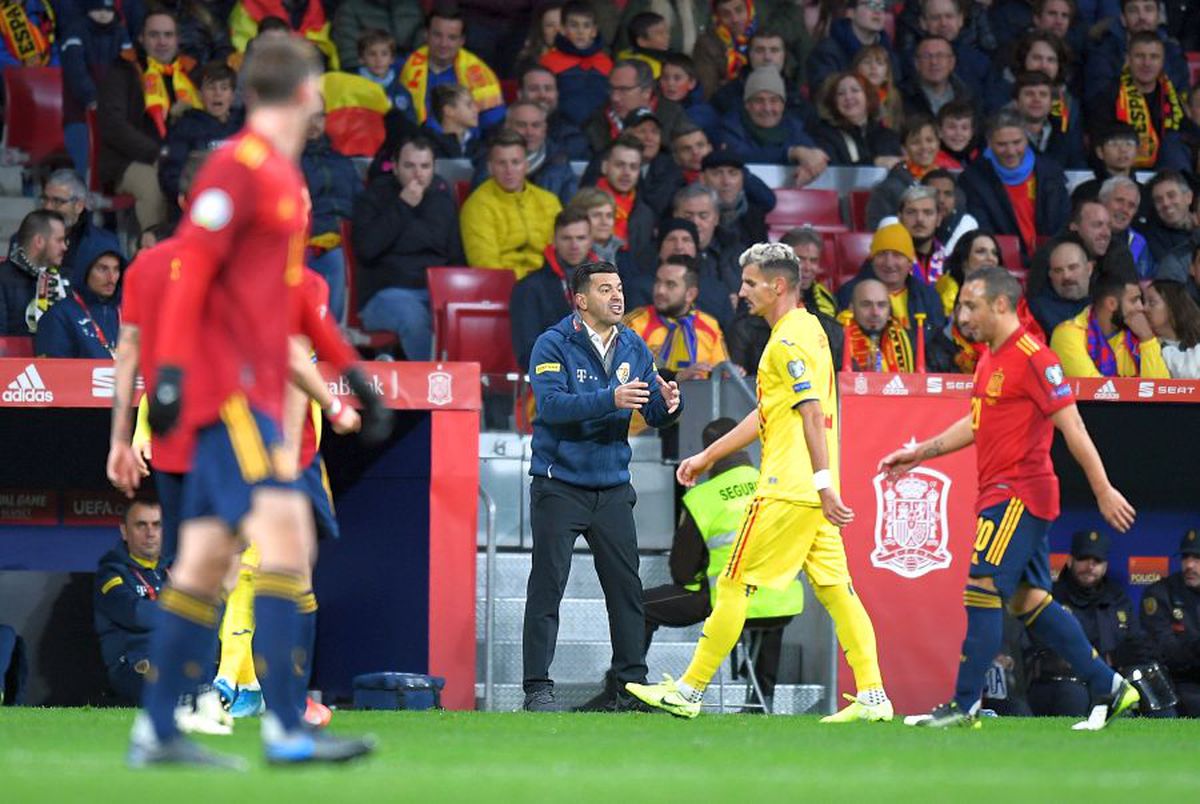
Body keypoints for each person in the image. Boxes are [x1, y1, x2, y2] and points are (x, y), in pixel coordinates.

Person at [115, 36, 386, 768]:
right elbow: (192, 264)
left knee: (204, 561)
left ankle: (159, 732)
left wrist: (347, 367)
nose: (324, 106)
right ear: (304, 95)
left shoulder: (286, 180)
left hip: (259, 391)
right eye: (321, 93)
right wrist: (168, 375)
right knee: (288, 541)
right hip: (229, 393)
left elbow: (292, 297)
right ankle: (285, 728)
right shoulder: (239, 168)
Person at [627, 242, 891, 722]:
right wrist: (709, 454)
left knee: (730, 584)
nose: (741, 291)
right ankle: (873, 693)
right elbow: (770, 412)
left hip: (787, 488)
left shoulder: (786, 342)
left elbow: (811, 414)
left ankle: (689, 691)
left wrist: (824, 483)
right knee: (836, 588)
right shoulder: (808, 328)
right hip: (809, 490)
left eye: (750, 283)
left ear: (779, 285)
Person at [879, 266, 1141, 729]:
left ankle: (964, 706)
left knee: (981, 589)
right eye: (961, 305)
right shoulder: (988, 358)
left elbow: (1073, 426)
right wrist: (919, 453)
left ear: (1002, 305)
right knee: (1027, 601)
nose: (963, 315)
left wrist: (1103, 489)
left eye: (972, 305)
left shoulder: (1035, 358)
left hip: (1018, 493)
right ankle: (1109, 686)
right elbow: (977, 423)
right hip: (1003, 492)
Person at [522, 261, 682, 712]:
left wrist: (670, 403)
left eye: (620, 287)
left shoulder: (633, 344)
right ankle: (537, 688)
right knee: (547, 586)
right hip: (560, 485)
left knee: (625, 589)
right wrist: (609, 399)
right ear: (581, 299)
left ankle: (630, 688)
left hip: (612, 487)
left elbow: (651, 410)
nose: (617, 297)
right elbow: (551, 406)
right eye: (606, 289)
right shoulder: (553, 343)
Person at [587, 415, 805, 711]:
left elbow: (682, 570)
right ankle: (761, 697)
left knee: (638, 605)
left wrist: (699, 581)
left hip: (725, 601)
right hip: (783, 602)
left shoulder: (704, 497)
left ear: (710, 452)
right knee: (764, 601)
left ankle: (623, 690)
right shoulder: (777, 486)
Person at [1026, 529, 1162, 717]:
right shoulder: (1050, 597)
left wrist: (1118, 659)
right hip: (1060, 680)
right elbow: (1041, 645)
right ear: (1070, 560)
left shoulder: (1117, 598)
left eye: (1097, 561)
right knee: (1075, 694)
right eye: (1084, 559)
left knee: (1154, 693)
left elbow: (1137, 644)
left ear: (1105, 566)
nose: (1090, 566)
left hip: (1114, 675)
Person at [353, 135, 464, 361]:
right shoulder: (375, 195)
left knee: (465, 317)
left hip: (435, 291)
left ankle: (477, 387)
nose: (418, 174)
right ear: (394, 167)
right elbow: (366, 248)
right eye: (409, 166)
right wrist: (402, 206)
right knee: (413, 317)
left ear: (434, 168)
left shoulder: (442, 197)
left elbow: (455, 254)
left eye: (425, 166)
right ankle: (434, 386)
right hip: (386, 294)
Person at [97, 9, 198, 231]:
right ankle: (154, 256)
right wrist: (157, 153)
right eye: (154, 35)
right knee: (155, 187)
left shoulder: (189, 72)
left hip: (183, 157)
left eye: (168, 35)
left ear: (177, 39)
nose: (162, 41)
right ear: (142, 38)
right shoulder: (123, 70)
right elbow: (113, 126)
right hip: (131, 161)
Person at [959, 109, 1070, 264]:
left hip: (1051, 261)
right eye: (1002, 144)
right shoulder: (973, 179)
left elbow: (1063, 222)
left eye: (1017, 142)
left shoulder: (1050, 172)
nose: (1011, 151)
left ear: (1026, 138)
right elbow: (982, 230)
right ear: (989, 143)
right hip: (1001, 265)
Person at [460, 131, 562, 281]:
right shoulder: (478, 206)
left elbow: (563, 251)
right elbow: (485, 264)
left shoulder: (549, 201)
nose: (509, 170)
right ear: (490, 167)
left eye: (515, 162)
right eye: (501, 163)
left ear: (526, 165)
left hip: (549, 283)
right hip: (503, 286)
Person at [1084, 32, 1190, 172]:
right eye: (1139, 56)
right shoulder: (1108, 96)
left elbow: (1188, 134)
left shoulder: (1171, 97)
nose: (1147, 63)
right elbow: (1098, 146)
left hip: (1165, 175)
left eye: (1154, 57)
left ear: (1162, 62)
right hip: (1120, 174)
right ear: (1128, 59)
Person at [510, 207, 596, 372]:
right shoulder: (528, 288)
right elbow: (527, 354)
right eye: (566, 238)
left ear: (591, 241)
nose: (574, 245)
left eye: (581, 238)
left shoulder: (609, 283)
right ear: (554, 240)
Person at [302, 101, 362, 323]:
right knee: (336, 259)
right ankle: (328, 336)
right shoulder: (287, 160)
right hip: (310, 241)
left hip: (348, 238)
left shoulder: (341, 161)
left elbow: (360, 201)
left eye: (318, 117)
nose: (313, 124)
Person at [623, 256, 729, 381]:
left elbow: (721, 371)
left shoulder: (710, 325)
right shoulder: (633, 323)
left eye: (670, 285)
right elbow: (625, 373)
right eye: (658, 282)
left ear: (690, 294)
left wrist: (727, 374)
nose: (660, 290)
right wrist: (676, 377)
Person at [397, 7, 504, 129]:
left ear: (462, 41)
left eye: (452, 38)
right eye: (437, 35)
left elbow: (493, 125)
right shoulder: (403, 67)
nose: (443, 44)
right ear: (426, 35)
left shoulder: (480, 74)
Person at [836, 222, 947, 338]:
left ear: (910, 262)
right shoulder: (849, 293)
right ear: (872, 260)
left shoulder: (928, 296)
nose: (889, 263)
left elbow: (938, 343)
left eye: (897, 255)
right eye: (882, 254)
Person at [59, 0, 133, 175]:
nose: (102, 13)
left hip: (114, 112)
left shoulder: (121, 34)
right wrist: (91, 98)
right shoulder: (74, 32)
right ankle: (79, 191)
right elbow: (75, 71)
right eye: (97, 8)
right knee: (81, 158)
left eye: (107, 9)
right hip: (79, 112)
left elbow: (130, 71)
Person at [1050, 270, 1170, 378]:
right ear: (1111, 304)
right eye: (1134, 300)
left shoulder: (1138, 335)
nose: (1141, 307)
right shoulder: (1067, 335)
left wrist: (1147, 339)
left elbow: (1160, 393)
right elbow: (1094, 391)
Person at [716, 67, 827, 178]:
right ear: (747, 105)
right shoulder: (731, 128)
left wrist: (810, 165)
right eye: (759, 101)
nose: (767, 108)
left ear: (783, 105)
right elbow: (741, 157)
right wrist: (791, 153)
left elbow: (811, 154)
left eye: (774, 101)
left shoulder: (793, 127)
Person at [159, 62, 243, 208]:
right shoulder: (185, 126)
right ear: (199, 95)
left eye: (224, 88)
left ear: (232, 95)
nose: (217, 93)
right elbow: (171, 175)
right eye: (211, 88)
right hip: (201, 207)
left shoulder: (243, 125)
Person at [1140, 529, 1200, 716]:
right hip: (1178, 681)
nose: (1189, 565)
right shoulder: (1160, 594)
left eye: (1197, 558)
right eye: (1185, 557)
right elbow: (1166, 651)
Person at [475, 100, 578, 205]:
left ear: (544, 129)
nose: (529, 132)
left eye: (536, 125)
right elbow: (481, 204)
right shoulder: (490, 159)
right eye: (521, 125)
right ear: (507, 127)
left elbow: (571, 212)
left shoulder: (560, 162)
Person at [31, 169, 122, 287]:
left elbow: (109, 298)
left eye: (57, 201)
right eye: (45, 199)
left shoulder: (103, 246)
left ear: (79, 206)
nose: (47, 207)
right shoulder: (25, 239)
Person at [866, 114, 958, 229]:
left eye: (930, 140)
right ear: (904, 148)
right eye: (916, 142)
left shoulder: (949, 183)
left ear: (938, 144)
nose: (924, 147)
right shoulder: (887, 189)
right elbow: (876, 229)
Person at [671, 183, 742, 329]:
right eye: (688, 216)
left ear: (716, 218)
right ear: (675, 216)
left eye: (703, 216)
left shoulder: (738, 253)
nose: (695, 222)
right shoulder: (666, 254)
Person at [583, 58, 685, 156]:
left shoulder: (673, 118)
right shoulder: (594, 122)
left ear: (646, 92)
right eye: (612, 89)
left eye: (624, 90)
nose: (615, 98)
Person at [34, 251, 123, 359]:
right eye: (102, 269)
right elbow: (53, 372)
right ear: (86, 270)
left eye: (116, 269)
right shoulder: (59, 316)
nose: (111, 278)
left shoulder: (126, 311)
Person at [539, 0, 613, 127]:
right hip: (561, 129)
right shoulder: (548, 61)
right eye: (574, 25)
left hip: (600, 130)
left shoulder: (606, 62)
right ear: (562, 29)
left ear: (594, 31)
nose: (580, 31)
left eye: (586, 26)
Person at [586, 134, 656, 266]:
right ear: (605, 167)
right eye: (620, 165)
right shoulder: (583, 206)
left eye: (633, 167)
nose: (626, 173)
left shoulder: (645, 214)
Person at [811, 71, 903, 168]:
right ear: (834, 102)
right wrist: (874, 163)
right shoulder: (824, 134)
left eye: (855, 90)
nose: (848, 97)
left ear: (868, 97)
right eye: (841, 93)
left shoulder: (887, 136)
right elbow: (834, 172)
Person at [808, 0, 898, 97]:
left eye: (882, 7)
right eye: (870, 5)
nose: (878, 12)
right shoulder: (827, 52)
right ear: (851, 12)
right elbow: (824, 93)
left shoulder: (888, 53)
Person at [0, 210, 69, 335]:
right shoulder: (3, 279)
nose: (64, 247)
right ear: (39, 241)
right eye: (59, 240)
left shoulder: (65, 279)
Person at [229, 0, 339, 68]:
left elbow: (324, 49)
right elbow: (242, 51)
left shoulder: (318, 6)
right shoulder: (248, 6)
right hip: (261, 74)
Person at [840, 278, 918, 372]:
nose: (875, 312)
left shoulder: (907, 338)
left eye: (881, 305)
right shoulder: (838, 340)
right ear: (852, 308)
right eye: (866, 305)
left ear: (889, 309)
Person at [1012, 70, 1084, 169]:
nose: (1036, 99)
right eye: (1029, 94)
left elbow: (1077, 171)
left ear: (1051, 103)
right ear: (1016, 103)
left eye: (1043, 94)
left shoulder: (1064, 132)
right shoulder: (1002, 134)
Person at [518, 64, 590, 160]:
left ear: (557, 94)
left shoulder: (572, 136)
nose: (542, 95)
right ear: (520, 94)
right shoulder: (500, 131)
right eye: (534, 89)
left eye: (548, 89)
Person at [701, 150, 769, 248]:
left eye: (733, 173)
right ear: (702, 178)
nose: (726, 182)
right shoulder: (692, 212)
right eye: (716, 174)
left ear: (742, 178)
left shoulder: (755, 215)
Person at [332, 0, 424, 72]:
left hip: (412, 73)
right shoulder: (350, 8)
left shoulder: (412, 5)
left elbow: (422, 47)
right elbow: (350, 60)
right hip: (367, 78)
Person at [692, 0, 758, 99]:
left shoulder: (764, 36)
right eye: (726, 14)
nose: (735, 19)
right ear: (718, 17)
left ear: (749, 9)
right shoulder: (706, 44)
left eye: (739, 10)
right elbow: (708, 91)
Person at [1029, 238, 1094, 337]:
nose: (1066, 276)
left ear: (1089, 269)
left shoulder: (1103, 302)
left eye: (1072, 268)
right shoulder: (1039, 310)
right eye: (1058, 270)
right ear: (1050, 275)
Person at [900, 35, 975, 119]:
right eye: (926, 56)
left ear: (952, 62)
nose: (934, 62)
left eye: (940, 56)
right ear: (916, 63)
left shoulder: (967, 96)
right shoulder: (902, 96)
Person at [354, 28, 417, 118]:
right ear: (361, 58)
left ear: (392, 59)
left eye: (384, 54)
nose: (378, 60)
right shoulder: (354, 87)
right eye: (372, 54)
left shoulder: (401, 91)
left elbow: (411, 125)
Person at [1098, 176, 1154, 279]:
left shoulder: (1138, 243)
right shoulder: (1085, 234)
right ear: (1102, 201)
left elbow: (1143, 282)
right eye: (1119, 201)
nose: (1124, 209)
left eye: (1131, 205)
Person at [1144, 279, 1200, 378]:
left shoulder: (1196, 340)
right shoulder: (1140, 345)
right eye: (1144, 302)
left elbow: (1189, 372)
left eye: (1152, 302)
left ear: (1172, 306)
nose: (1144, 308)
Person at [1144, 170, 1198, 261]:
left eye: (1171, 196)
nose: (1165, 203)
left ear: (1188, 197)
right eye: (1158, 200)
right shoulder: (1153, 239)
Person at [852, 43, 905, 132]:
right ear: (857, 69)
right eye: (867, 62)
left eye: (879, 63)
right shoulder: (851, 95)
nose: (873, 67)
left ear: (886, 75)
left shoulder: (893, 97)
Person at [923, 168, 978, 253]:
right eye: (934, 193)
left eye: (948, 194)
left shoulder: (965, 223)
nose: (941, 200)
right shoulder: (908, 219)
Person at [934, 98, 978, 166]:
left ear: (972, 132)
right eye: (952, 127)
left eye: (964, 128)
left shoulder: (980, 158)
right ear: (940, 132)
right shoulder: (931, 161)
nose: (958, 133)